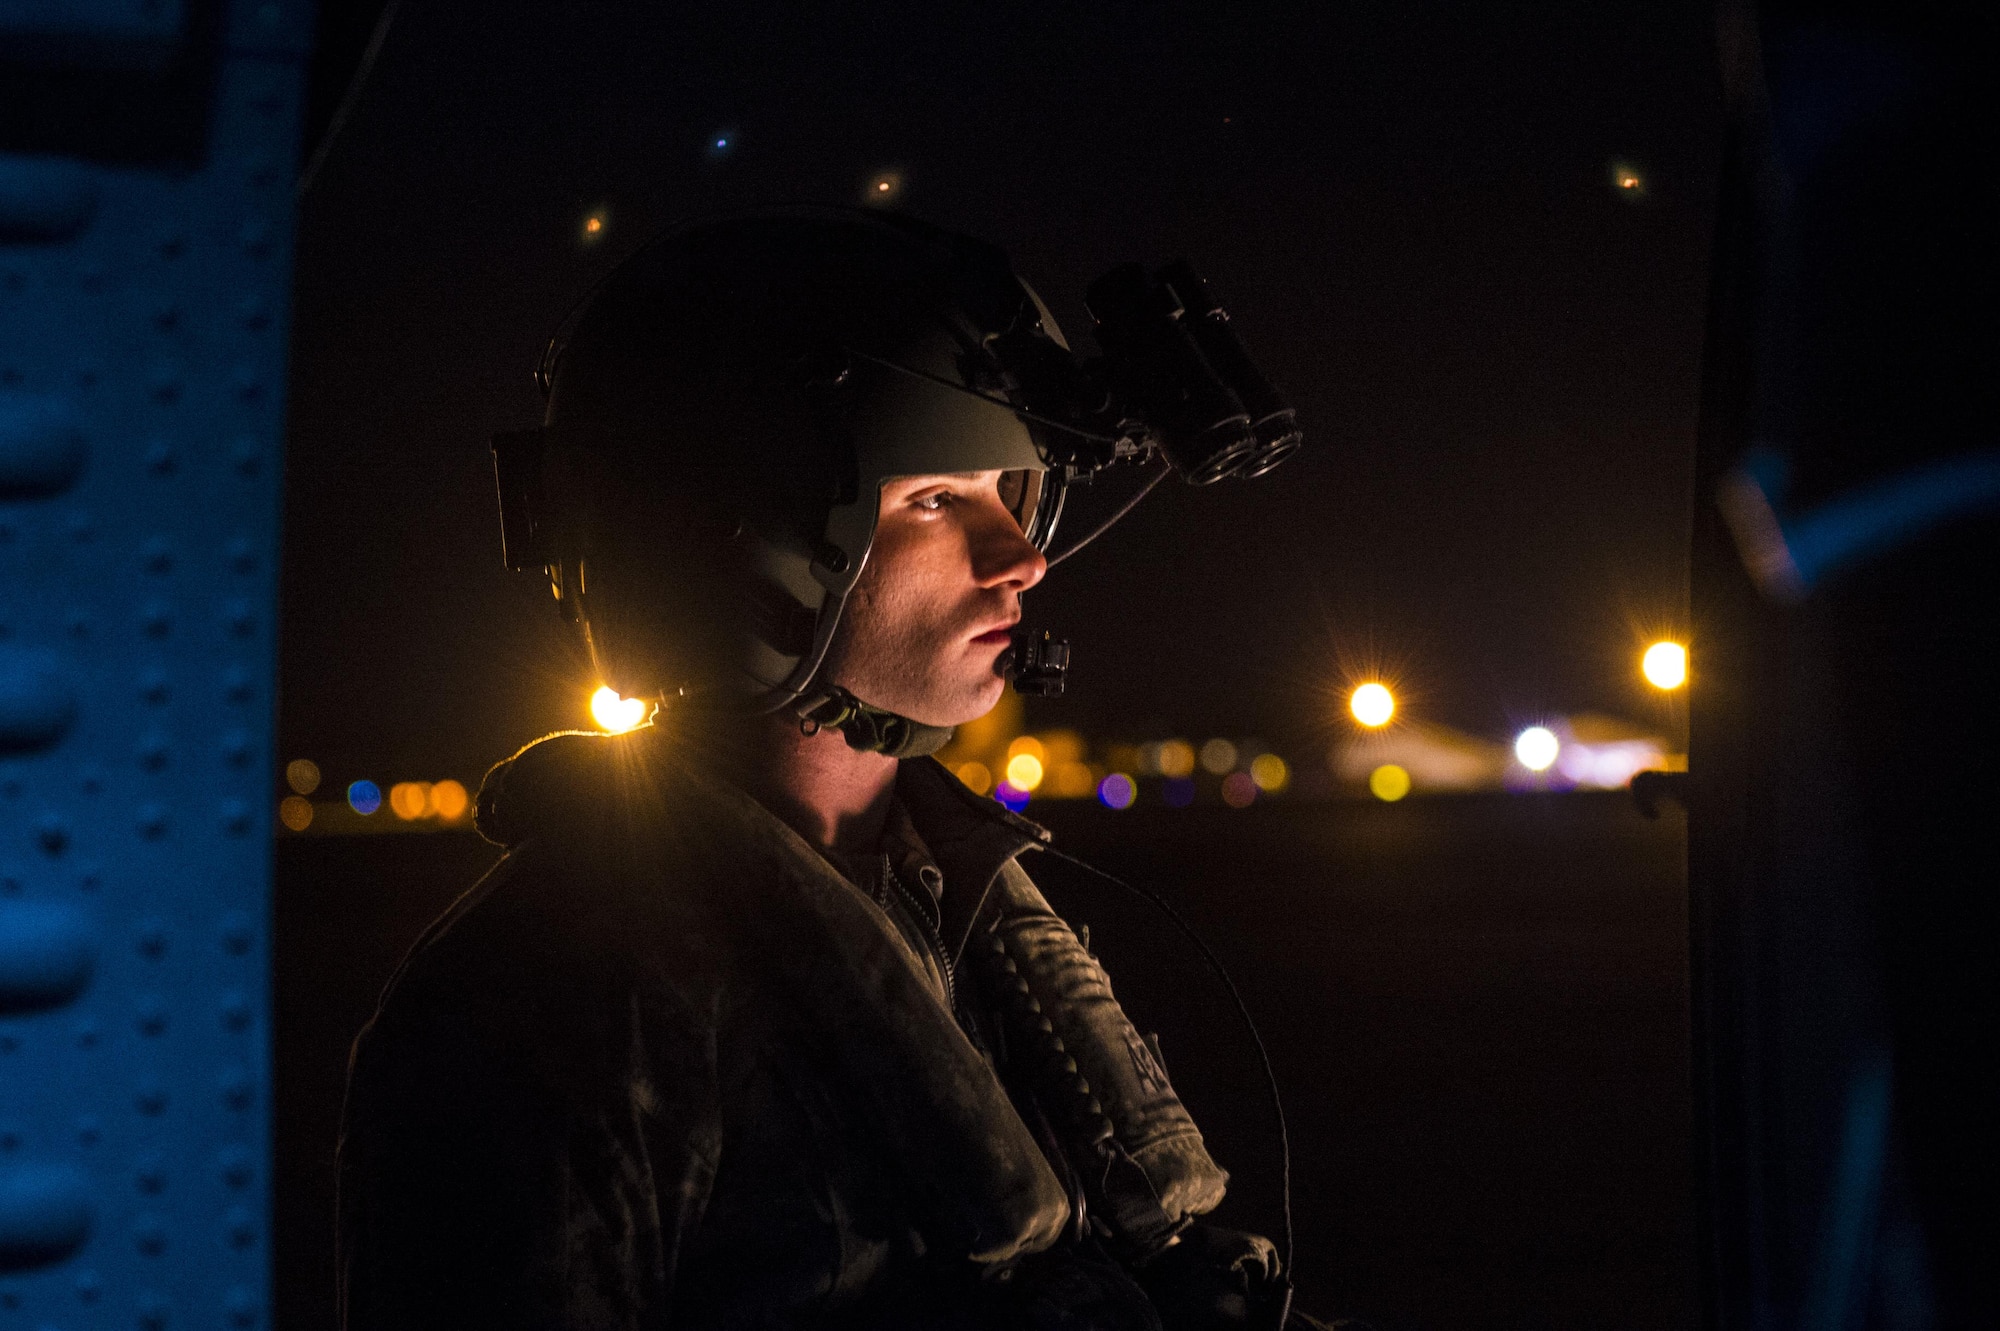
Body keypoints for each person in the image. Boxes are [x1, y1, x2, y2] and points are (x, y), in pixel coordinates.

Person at [336, 209, 1310, 1330]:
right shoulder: (539, 1004)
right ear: (737, 545)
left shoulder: (955, 896)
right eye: (936, 500)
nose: (1021, 557)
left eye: (1013, 491)